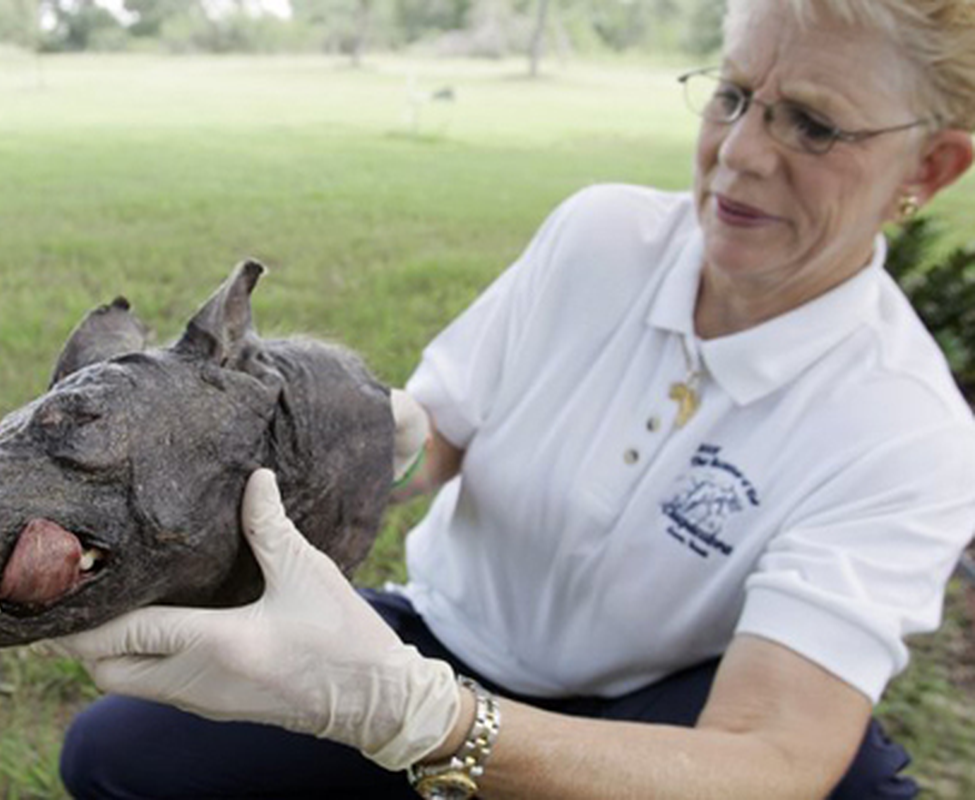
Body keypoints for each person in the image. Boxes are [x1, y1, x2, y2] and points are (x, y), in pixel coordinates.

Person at [55, 0, 975, 797]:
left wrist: (422, 722)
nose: (737, 154)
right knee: (117, 757)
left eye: (811, 125)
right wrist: (356, 445)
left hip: (648, 701)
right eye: (732, 96)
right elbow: (441, 433)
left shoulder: (903, 432)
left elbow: (771, 754)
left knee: (849, 788)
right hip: (439, 638)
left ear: (928, 170)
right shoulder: (601, 237)